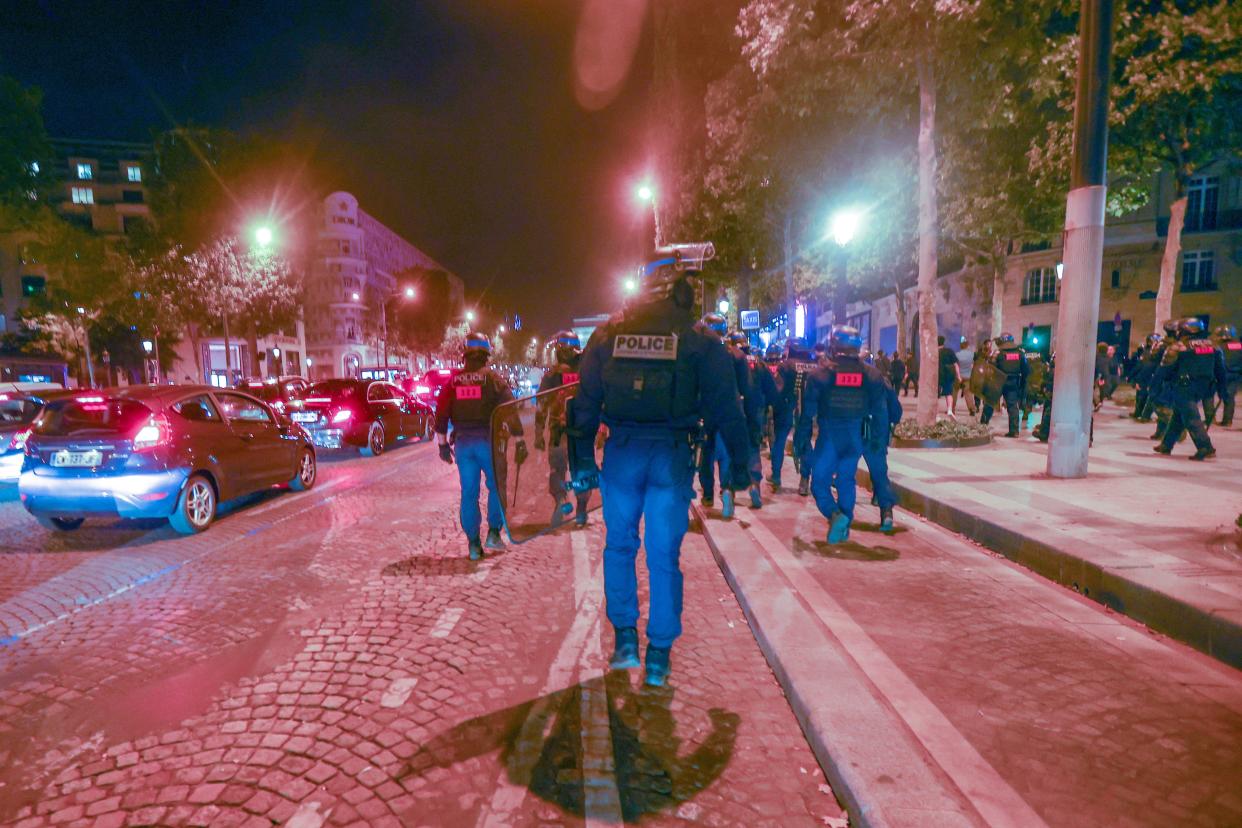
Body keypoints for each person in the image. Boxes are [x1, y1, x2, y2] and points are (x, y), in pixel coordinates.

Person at [568, 244, 750, 687]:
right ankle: (659, 656)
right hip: (671, 458)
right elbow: (728, 410)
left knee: (619, 547)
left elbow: (583, 407)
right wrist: (739, 468)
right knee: (664, 556)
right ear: (682, 291)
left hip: (621, 457)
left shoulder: (608, 338)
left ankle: (625, 638)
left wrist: (581, 465)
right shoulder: (701, 344)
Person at [435, 332, 525, 560]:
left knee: (469, 493)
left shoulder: (452, 383)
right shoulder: (494, 380)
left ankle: (474, 545)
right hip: (490, 443)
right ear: (486, 355)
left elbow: (441, 416)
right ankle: (494, 533)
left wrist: (443, 446)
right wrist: (521, 439)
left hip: (464, 444)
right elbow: (511, 411)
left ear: (465, 355)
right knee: (496, 487)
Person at [796, 325, 886, 543]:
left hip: (829, 437)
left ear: (834, 345)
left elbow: (807, 414)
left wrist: (802, 441)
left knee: (819, 482)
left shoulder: (820, 375)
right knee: (846, 480)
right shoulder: (872, 375)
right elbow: (880, 412)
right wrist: (878, 441)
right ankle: (844, 521)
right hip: (855, 437)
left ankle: (836, 516)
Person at [696, 313, 751, 518]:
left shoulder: (699, 353)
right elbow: (747, 388)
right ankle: (727, 489)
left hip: (706, 410)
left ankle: (708, 494)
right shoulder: (736, 355)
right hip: (731, 410)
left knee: (706, 453)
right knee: (727, 451)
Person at [535, 329, 590, 528]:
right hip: (583, 431)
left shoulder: (551, 375)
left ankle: (560, 500)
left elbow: (541, 404)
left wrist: (538, 433)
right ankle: (582, 509)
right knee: (582, 470)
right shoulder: (586, 373)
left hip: (558, 433)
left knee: (557, 470)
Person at [1154, 317, 1226, 460]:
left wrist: (1155, 390)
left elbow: (1163, 371)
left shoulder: (1178, 347)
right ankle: (1166, 444)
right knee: (1179, 416)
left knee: (1191, 418)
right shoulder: (1213, 346)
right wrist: (1222, 389)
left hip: (1184, 387)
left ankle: (1205, 447)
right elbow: (1220, 370)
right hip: (1205, 388)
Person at [731, 330, 777, 510]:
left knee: (731, 447)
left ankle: (729, 489)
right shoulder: (759, 363)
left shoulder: (729, 360)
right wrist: (769, 406)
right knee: (753, 446)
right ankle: (754, 484)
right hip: (755, 410)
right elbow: (771, 389)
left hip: (733, 409)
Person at [863, 368, 903, 532]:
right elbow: (896, 409)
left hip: (856, 428)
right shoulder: (882, 381)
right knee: (879, 470)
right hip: (877, 430)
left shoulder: (850, 377)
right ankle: (885, 508)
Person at [980, 333, 1027, 437]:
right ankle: (1014, 431)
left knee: (989, 404)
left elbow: (991, 368)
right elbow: (1025, 369)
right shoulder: (1020, 353)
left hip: (998, 382)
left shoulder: (997, 353)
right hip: (1013, 381)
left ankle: (982, 427)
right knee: (1013, 406)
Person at [764, 343, 796, 491]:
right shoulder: (789, 368)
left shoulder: (763, 367)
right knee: (780, 442)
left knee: (775, 442)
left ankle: (774, 474)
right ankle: (777, 474)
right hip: (786, 408)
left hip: (770, 408)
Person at [1206, 324, 1240, 427]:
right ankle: (1227, 421)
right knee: (1229, 397)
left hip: (1217, 375)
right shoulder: (1239, 345)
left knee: (1208, 396)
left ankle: (1210, 419)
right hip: (1234, 375)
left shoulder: (1214, 346)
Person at [937, 335, 960, 418]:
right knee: (949, 393)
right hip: (948, 375)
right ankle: (950, 409)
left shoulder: (934, 352)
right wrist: (958, 376)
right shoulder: (949, 351)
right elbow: (955, 365)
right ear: (944, 342)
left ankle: (937, 413)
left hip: (937, 375)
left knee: (936, 395)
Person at [953, 336, 976, 416]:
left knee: (954, 393)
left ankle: (952, 409)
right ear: (967, 346)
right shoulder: (971, 354)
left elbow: (955, 366)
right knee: (968, 394)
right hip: (968, 376)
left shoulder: (957, 354)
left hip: (958, 376)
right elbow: (973, 365)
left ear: (960, 346)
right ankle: (972, 409)